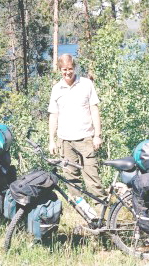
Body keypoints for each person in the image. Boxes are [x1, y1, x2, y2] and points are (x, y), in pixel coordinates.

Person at [48, 54, 106, 200]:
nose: (67, 72)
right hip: (65, 142)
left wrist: (97, 135)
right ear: (60, 70)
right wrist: (51, 140)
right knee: (71, 181)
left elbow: (94, 109)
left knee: (92, 179)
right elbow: (53, 116)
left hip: (86, 139)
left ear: (74, 67)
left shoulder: (86, 84)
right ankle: (85, 214)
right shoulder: (56, 89)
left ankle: (102, 217)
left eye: (70, 69)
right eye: (64, 69)